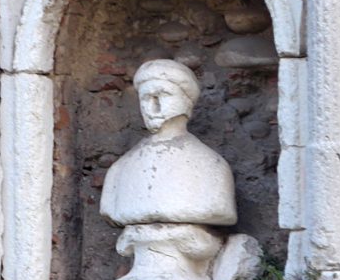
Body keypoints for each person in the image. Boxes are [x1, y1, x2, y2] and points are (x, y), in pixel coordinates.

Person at [100, 59, 237, 229]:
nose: (153, 106)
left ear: (186, 101)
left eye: (163, 95)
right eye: (146, 98)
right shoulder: (119, 169)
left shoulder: (211, 165)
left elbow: (221, 211)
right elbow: (109, 210)